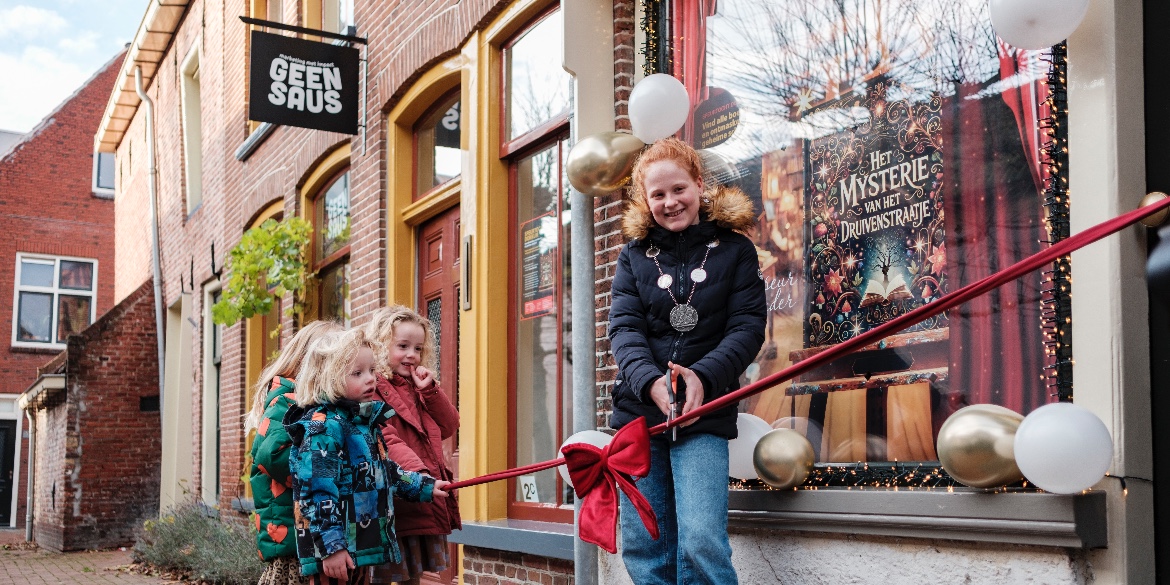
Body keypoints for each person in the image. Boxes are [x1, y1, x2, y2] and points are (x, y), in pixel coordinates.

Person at [608, 137, 766, 585]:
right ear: (646, 199)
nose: (670, 202)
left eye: (678, 189)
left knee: (701, 540)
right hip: (639, 416)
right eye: (657, 194)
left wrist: (704, 376)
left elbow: (748, 327)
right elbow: (624, 330)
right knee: (645, 543)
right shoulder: (632, 257)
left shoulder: (736, 250)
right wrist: (649, 383)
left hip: (705, 413)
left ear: (699, 184)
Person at [285, 327, 451, 585]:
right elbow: (317, 494)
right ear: (328, 377)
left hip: (360, 546)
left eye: (372, 370)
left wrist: (423, 486)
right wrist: (332, 548)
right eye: (358, 373)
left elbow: (385, 470)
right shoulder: (323, 429)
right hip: (333, 553)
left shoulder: (362, 423)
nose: (370, 379)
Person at [365, 306, 461, 585]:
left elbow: (448, 425)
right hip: (396, 495)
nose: (411, 355)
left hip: (420, 495)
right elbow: (386, 439)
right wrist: (419, 476)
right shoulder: (373, 387)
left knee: (413, 574)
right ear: (382, 345)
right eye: (403, 346)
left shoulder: (418, 386)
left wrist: (430, 391)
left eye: (418, 348)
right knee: (382, 574)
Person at [247, 320, 344, 585]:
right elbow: (271, 454)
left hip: (313, 535)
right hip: (293, 540)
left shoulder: (323, 403)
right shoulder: (287, 399)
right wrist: (324, 473)